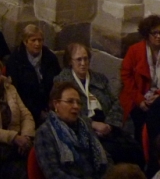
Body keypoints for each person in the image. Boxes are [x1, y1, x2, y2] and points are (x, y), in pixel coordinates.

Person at [55, 42, 144, 169]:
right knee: (112, 153)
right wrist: (92, 124)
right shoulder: (62, 82)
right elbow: (65, 113)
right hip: (84, 128)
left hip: (107, 125)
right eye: (79, 59)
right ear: (70, 62)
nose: (83, 63)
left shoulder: (99, 78)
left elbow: (116, 103)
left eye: (86, 59)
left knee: (134, 149)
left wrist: (109, 124)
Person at [34, 81, 109, 179]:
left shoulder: (85, 126)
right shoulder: (45, 132)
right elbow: (53, 174)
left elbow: (105, 158)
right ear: (56, 104)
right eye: (70, 101)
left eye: (78, 102)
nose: (76, 106)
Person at [121, 14, 160, 177]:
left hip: (157, 98)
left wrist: (157, 96)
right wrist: (140, 100)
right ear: (146, 34)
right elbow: (126, 75)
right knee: (141, 120)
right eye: (155, 33)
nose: (159, 37)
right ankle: (142, 161)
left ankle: (154, 160)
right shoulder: (135, 50)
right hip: (137, 96)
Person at [6, 24, 60, 126]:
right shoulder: (15, 61)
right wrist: (37, 112)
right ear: (25, 42)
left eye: (40, 40)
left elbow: (58, 81)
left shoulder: (50, 58)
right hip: (27, 107)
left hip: (50, 105)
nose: (37, 44)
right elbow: (16, 91)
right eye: (33, 40)